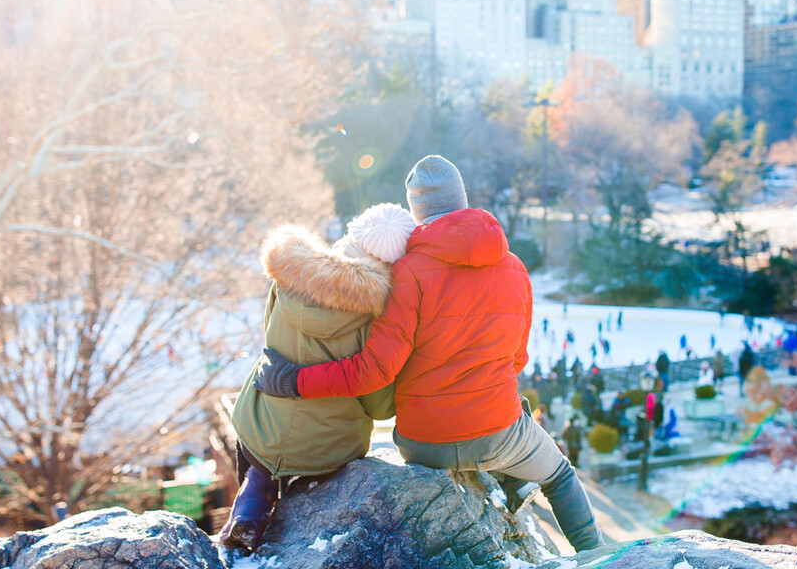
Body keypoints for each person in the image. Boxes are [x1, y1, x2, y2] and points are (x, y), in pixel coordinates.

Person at [253, 155, 603, 552]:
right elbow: (517, 360)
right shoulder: (515, 268)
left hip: (424, 443)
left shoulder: (408, 272)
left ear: (417, 211)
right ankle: (598, 554)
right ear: (463, 200)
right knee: (558, 474)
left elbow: (374, 372)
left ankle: (510, 478)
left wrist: (294, 380)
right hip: (498, 432)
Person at [222, 204, 414, 551]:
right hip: (330, 450)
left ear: (351, 235)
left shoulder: (289, 276)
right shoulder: (378, 317)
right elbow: (378, 405)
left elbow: (270, 338)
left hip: (263, 429)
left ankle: (253, 494)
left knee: (259, 437)